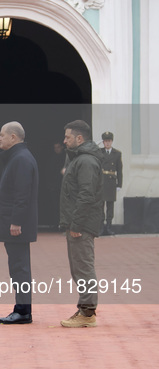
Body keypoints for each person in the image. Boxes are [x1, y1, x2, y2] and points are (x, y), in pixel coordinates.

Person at [0, 122, 38, 325]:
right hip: (15, 223)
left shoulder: (20, 159)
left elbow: (22, 194)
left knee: (19, 268)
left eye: (2, 135)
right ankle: (21, 309)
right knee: (18, 267)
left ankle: (22, 311)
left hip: (17, 226)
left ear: (13, 137)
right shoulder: (18, 157)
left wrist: (16, 221)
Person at [59, 120, 103, 328]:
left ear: (79, 138)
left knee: (83, 268)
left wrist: (76, 225)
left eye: (68, 137)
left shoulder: (85, 161)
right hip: (78, 223)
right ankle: (85, 310)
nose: (64, 140)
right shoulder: (80, 159)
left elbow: (86, 195)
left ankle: (87, 313)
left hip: (82, 226)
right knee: (79, 268)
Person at [99, 131, 122, 235]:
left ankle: (109, 227)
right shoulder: (99, 152)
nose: (107, 143)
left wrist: (119, 184)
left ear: (112, 141)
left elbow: (119, 170)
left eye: (109, 141)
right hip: (102, 181)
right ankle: (100, 227)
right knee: (100, 205)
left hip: (111, 181)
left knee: (110, 206)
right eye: (105, 141)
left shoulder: (117, 153)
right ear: (103, 142)